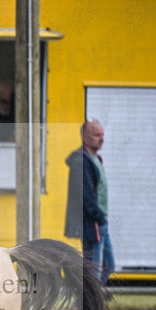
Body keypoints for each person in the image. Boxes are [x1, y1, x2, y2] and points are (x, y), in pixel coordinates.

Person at [64, 119, 114, 284]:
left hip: (100, 223)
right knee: (93, 272)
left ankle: (82, 305)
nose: (102, 138)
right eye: (96, 135)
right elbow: (85, 197)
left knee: (108, 265)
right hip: (91, 224)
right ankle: (84, 306)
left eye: (102, 134)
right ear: (85, 138)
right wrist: (98, 217)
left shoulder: (95, 159)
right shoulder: (81, 161)